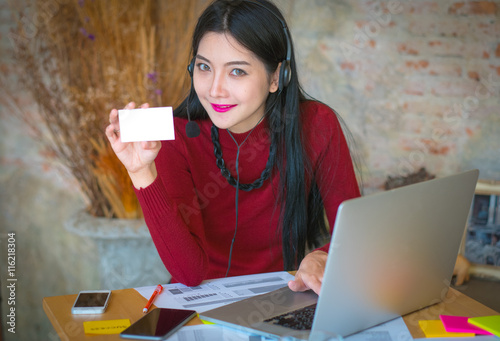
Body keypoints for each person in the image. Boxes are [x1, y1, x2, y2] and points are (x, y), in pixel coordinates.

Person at [106, 0, 360, 295]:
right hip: (201, 305)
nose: (215, 90)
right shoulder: (174, 135)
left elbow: (353, 230)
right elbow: (189, 273)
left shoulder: (316, 124)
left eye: (237, 71)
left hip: (283, 296)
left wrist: (322, 255)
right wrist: (141, 173)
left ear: (277, 77)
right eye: (204, 67)